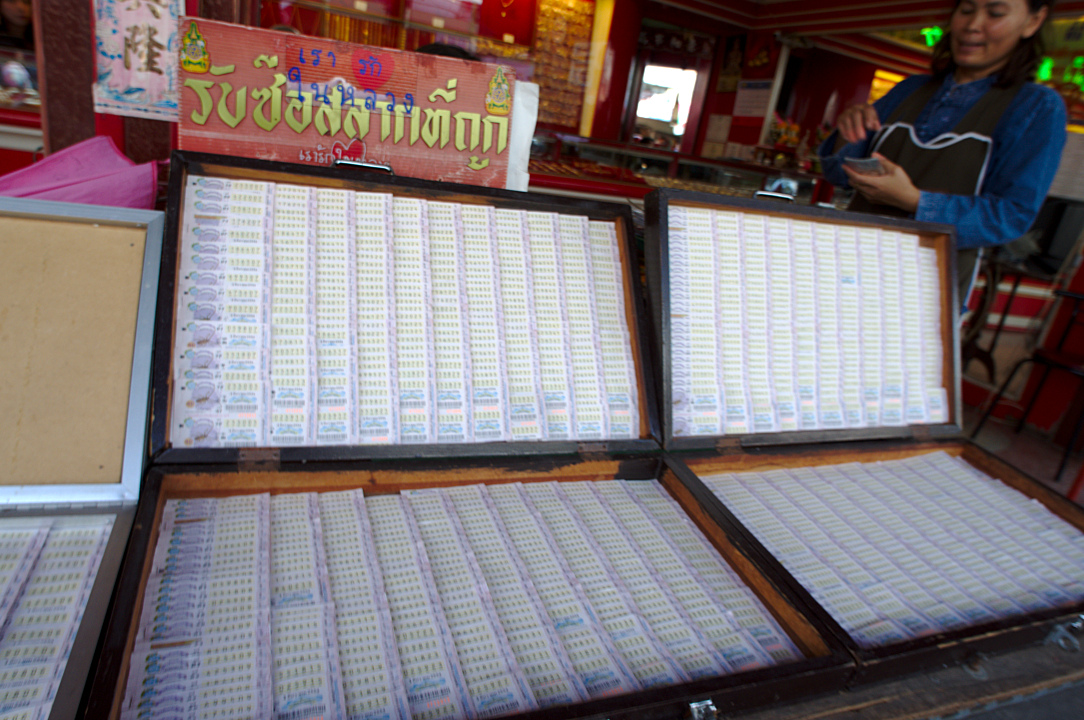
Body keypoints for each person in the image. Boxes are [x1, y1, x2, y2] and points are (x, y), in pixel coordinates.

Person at [818, 0, 1067, 301]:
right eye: (966, 10)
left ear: (1033, 21)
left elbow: (1011, 216)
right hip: (850, 268)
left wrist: (915, 201)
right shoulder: (910, 89)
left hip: (927, 292)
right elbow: (837, 174)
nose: (972, 25)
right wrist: (848, 135)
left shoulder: (1036, 107)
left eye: (995, 13)